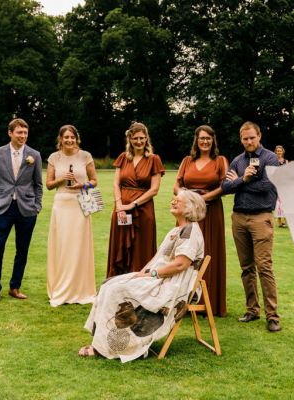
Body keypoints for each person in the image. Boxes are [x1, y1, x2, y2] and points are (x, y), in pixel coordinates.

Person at [78, 189, 206, 362]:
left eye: (178, 200)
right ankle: (101, 342)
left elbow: (180, 264)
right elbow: (157, 259)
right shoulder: (177, 230)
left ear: (190, 207)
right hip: (160, 277)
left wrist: (151, 274)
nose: (173, 201)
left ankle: (108, 347)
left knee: (117, 290)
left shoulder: (190, 232)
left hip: (174, 285)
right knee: (109, 284)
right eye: (173, 198)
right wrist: (140, 274)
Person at [222, 121, 281, 332]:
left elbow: (270, 184)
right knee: (246, 268)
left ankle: (272, 316)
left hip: (260, 217)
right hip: (239, 218)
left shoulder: (270, 158)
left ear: (259, 136)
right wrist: (241, 180)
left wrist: (242, 181)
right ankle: (252, 310)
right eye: (245, 138)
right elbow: (225, 186)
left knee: (264, 266)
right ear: (241, 139)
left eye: (252, 138)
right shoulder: (237, 160)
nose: (249, 141)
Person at [0, 118, 43, 303]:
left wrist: (37, 205)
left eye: (25, 133)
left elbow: (38, 184)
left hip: (27, 209)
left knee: (22, 250)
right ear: (10, 133)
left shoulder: (35, 155)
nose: (23, 136)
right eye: (19, 133)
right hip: (2, 208)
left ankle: (15, 287)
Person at [174, 125, 228, 317]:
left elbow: (224, 186)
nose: (205, 141)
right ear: (196, 140)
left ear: (213, 140)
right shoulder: (187, 161)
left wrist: (200, 200)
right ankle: (182, 300)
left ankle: (208, 301)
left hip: (210, 213)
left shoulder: (220, 161)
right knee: (184, 253)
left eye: (208, 138)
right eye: (201, 138)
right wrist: (185, 197)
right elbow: (177, 184)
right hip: (187, 214)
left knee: (207, 252)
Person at [45, 125, 98, 307]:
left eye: (72, 137)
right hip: (61, 205)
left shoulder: (85, 156)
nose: (69, 140)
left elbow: (94, 181)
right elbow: (49, 185)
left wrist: (82, 185)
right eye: (66, 137)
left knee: (79, 247)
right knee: (63, 246)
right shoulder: (54, 157)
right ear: (60, 139)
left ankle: (81, 289)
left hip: (80, 205)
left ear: (77, 138)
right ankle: (60, 288)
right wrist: (62, 179)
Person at [106, 122, 165, 277]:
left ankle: (140, 287)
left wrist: (132, 204)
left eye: (142, 138)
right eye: (136, 138)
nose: (139, 142)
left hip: (143, 211)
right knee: (120, 247)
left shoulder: (154, 159)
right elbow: (116, 183)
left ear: (147, 139)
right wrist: (119, 205)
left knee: (141, 249)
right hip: (121, 211)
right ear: (130, 139)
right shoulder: (123, 158)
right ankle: (117, 287)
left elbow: (154, 189)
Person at [274, 145, 289, 228]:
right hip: (276, 184)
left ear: (283, 151)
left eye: (280, 151)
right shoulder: (273, 161)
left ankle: (286, 221)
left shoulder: (286, 161)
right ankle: (279, 221)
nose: (279, 152)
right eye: (277, 151)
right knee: (278, 203)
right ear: (275, 152)